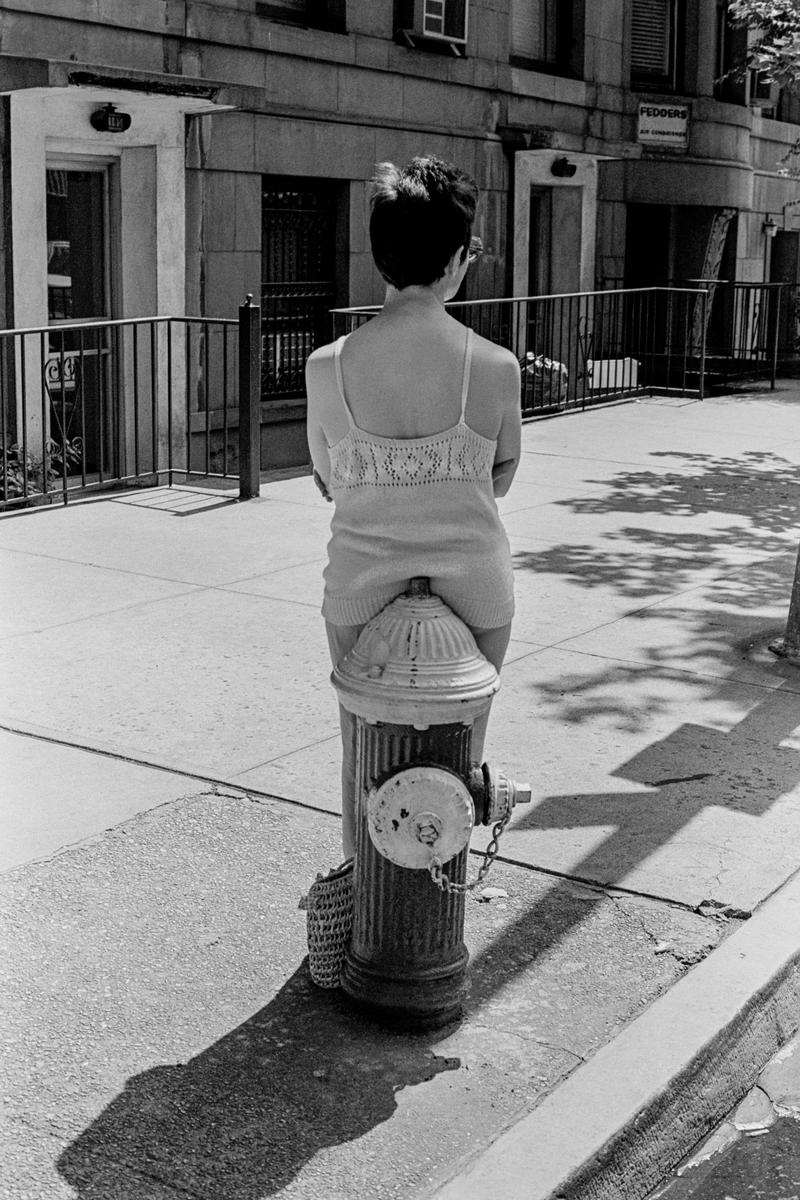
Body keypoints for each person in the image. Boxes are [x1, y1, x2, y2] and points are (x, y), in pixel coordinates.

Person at [305, 155, 521, 859]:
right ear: (459, 257)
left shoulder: (326, 366)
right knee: (460, 754)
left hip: (361, 583)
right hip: (474, 583)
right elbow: (503, 475)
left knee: (358, 748)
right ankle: (444, 876)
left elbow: (326, 475)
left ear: (380, 258)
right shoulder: (493, 366)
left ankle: (361, 886)